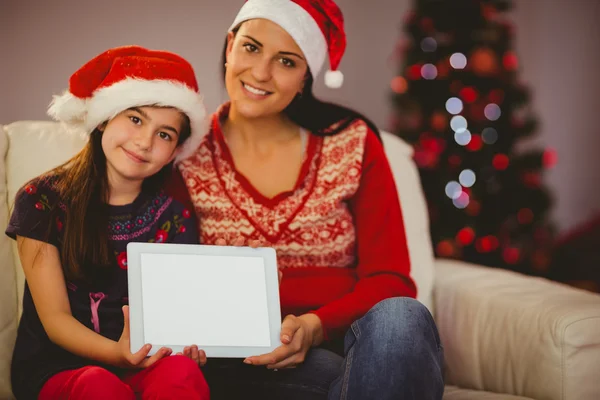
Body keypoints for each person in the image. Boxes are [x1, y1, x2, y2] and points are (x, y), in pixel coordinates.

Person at [168, 1, 445, 399]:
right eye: (250, 47)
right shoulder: (183, 152)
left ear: (304, 78)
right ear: (229, 46)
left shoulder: (352, 142)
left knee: (402, 316)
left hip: (352, 344)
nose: (260, 72)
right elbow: (172, 281)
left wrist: (316, 325)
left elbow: (390, 278)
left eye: (286, 61)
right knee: (332, 374)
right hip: (240, 361)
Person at [7, 46, 211, 400]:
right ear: (104, 119)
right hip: (59, 367)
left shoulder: (174, 216)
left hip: (144, 362)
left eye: (165, 134)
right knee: (97, 384)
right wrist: (117, 355)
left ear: (175, 150)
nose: (144, 141)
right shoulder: (41, 200)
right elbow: (55, 321)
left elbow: (178, 311)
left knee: (182, 371)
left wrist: (188, 344)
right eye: (135, 119)